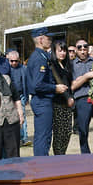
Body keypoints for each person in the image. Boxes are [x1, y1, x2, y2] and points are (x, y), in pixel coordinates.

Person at [27, 28, 66, 156]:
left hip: (42, 100)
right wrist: (55, 88)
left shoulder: (41, 55)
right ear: (40, 39)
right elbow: (37, 84)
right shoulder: (39, 58)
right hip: (42, 101)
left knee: (43, 136)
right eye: (48, 38)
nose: (50, 40)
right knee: (43, 137)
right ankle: (41, 165)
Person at [0, 57, 23, 160]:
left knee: (13, 152)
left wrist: (20, 113)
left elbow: (16, 98)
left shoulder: (7, 79)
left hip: (11, 121)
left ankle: (15, 174)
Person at [50, 40, 75, 155]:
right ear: (55, 52)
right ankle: (58, 156)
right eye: (60, 51)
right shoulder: (53, 65)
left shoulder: (67, 66)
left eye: (64, 50)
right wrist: (68, 97)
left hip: (68, 105)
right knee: (59, 134)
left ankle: (62, 155)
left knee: (67, 132)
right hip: (58, 104)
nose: (63, 53)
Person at [7, 49, 31, 146]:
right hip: (9, 96)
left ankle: (24, 138)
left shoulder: (24, 69)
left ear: (19, 60)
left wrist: (26, 97)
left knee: (22, 116)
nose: (14, 63)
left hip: (21, 95)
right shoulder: (7, 69)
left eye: (16, 61)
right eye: (11, 61)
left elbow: (27, 83)